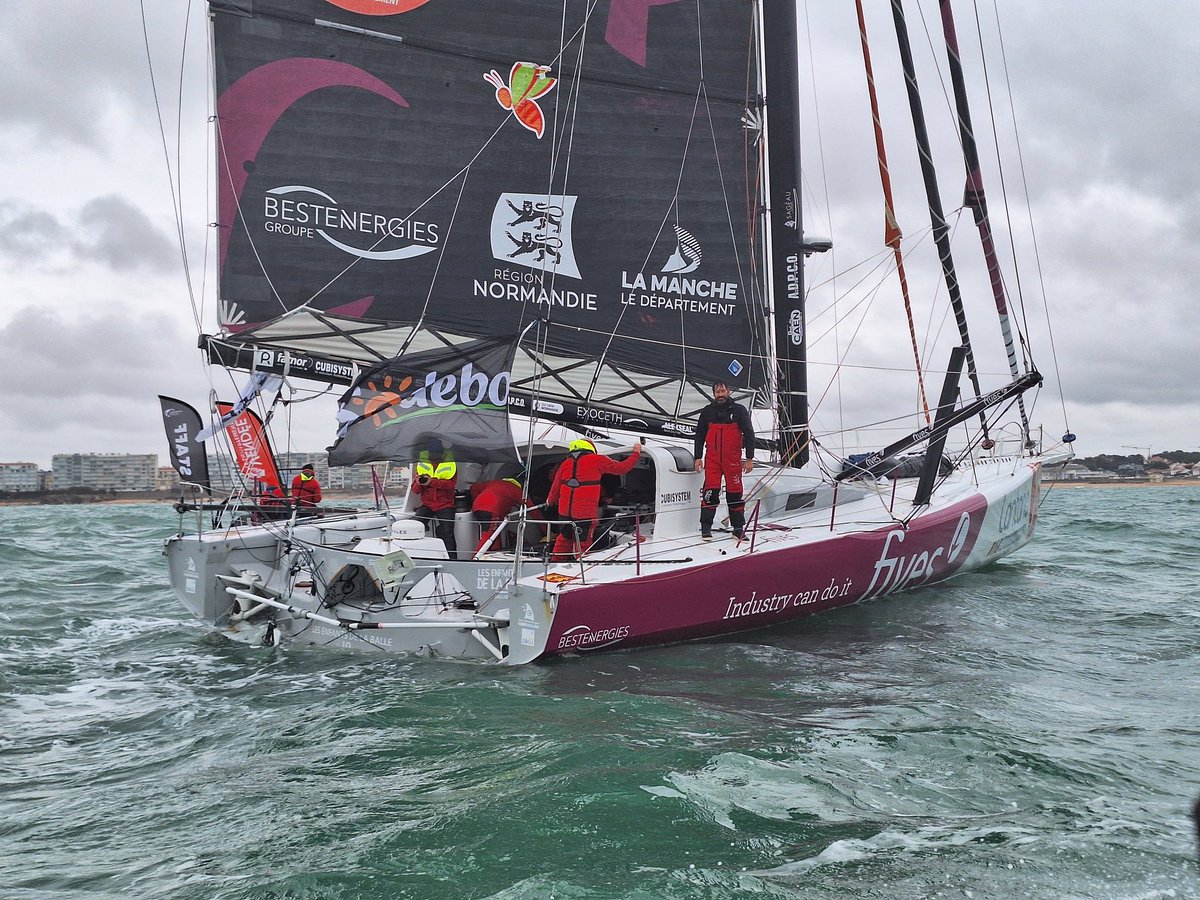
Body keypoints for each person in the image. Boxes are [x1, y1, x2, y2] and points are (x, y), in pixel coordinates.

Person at [546, 439, 641, 560]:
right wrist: (636, 453)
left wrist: (549, 501)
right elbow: (622, 468)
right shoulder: (597, 460)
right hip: (584, 514)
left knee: (564, 540)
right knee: (583, 543)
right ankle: (580, 566)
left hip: (564, 513)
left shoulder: (565, 464)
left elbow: (555, 489)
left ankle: (555, 563)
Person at [693, 380, 754, 541]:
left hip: (732, 460)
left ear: (729, 392)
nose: (720, 395)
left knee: (735, 494)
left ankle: (738, 529)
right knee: (710, 493)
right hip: (712, 460)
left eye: (723, 391)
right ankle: (706, 528)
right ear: (714, 394)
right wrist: (697, 457)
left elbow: (749, 433)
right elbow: (699, 435)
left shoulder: (739, 410)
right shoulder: (707, 412)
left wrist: (749, 458)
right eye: (717, 392)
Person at [470, 476, 542, 554]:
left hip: (476, 507)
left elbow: (473, 488)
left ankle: (494, 554)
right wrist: (545, 529)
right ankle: (475, 558)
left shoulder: (493, 483)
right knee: (488, 536)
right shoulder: (516, 490)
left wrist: (475, 501)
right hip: (492, 510)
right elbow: (533, 510)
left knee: (495, 534)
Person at [412, 438, 457, 557]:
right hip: (427, 504)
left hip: (445, 504)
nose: (435, 456)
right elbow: (415, 490)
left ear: (442, 453)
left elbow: (450, 485)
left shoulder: (450, 466)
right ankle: (418, 555)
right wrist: (418, 483)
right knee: (415, 526)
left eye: (437, 453)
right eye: (433, 453)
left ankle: (452, 559)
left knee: (448, 534)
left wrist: (431, 482)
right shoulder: (422, 467)